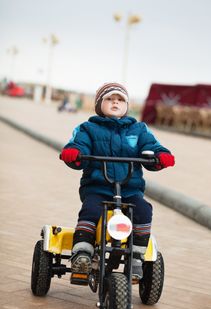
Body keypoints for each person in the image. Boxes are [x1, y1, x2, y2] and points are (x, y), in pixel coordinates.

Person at [60, 82, 175, 278]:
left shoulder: (138, 129)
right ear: (99, 105)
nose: (115, 102)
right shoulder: (88, 128)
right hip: (98, 187)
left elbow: (151, 146)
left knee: (144, 210)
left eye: (120, 99)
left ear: (127, 105)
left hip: (130, 189)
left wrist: (160, 156)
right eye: (109, 99)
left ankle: (137, 257)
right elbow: (79, 145)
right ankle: (82, 252)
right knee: (91, 209)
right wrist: (74, 153)